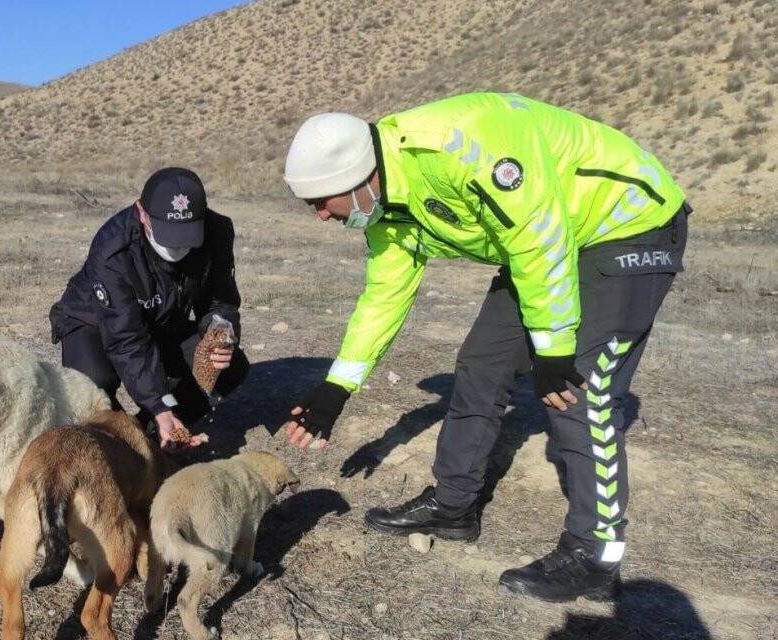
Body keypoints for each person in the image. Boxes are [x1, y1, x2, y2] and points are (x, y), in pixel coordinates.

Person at [279, 93, 689, 602]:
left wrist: (554, 347)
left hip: (625, 224)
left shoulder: (458, 148)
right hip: (547, 240)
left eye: (322, 202)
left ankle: (594, 554)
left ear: (359, 177)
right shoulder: (385, 204)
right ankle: (454, 507)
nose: (320, 216)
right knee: (482, 363)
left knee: (579, 388)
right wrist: (337, 386)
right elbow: (385, 293)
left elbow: (539, 235)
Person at [50, 167, 249, 451]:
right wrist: (158, 401)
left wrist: (221, 326)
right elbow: (126, 338)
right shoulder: (113, 249)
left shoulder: (216, 233)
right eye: (169, 234)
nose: (179, 245)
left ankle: (153, 433)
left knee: (230, 367)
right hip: (94, 321)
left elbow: (220, 298)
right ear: (142, 213)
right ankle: (113, 443)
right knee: (92, 384)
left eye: (187, 235)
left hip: (161, 321)